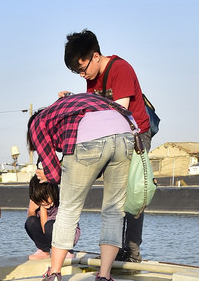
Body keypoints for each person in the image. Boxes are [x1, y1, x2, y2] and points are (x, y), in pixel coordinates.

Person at [27, 93, 135, 281]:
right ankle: (104, 278)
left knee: (68, 209)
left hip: (89, 139)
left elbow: (53, 173)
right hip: (125, 134)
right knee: (113, 211)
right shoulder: (72, 105)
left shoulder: (38, 122)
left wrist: (50, 174)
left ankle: (54, 274)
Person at [61, 29, 150, 262]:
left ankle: (132, 250)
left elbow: (118, 112)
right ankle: (116, 248)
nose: (82, 75)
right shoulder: (93, 78)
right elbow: (94, 110)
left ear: (96, 56)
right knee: (114, 197)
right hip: (113, 137)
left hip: (135, 134)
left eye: (82, 69)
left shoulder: (120, 69)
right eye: (76, 72)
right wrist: (73, 100)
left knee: (132, 192)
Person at [25, 176, 81, 260]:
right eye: (40, 201)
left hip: (67, 236)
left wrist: (42, 208)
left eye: (46, 197)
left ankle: (66, 251)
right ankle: (44, 251)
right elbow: (31, 224)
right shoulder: (37, 202)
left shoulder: (60, 203)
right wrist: (32, 210)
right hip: (50, 236)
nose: (44, 202)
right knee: (30, 222)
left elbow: (46, 228)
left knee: (49, 225)